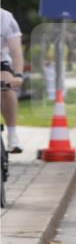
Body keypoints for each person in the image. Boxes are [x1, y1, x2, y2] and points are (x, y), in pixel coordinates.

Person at [0, 8, 24, 153]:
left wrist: (19, 75)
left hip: (1, 63)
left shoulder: (6, 18)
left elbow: (16, 51)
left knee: (6, 86)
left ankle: (12, 134)